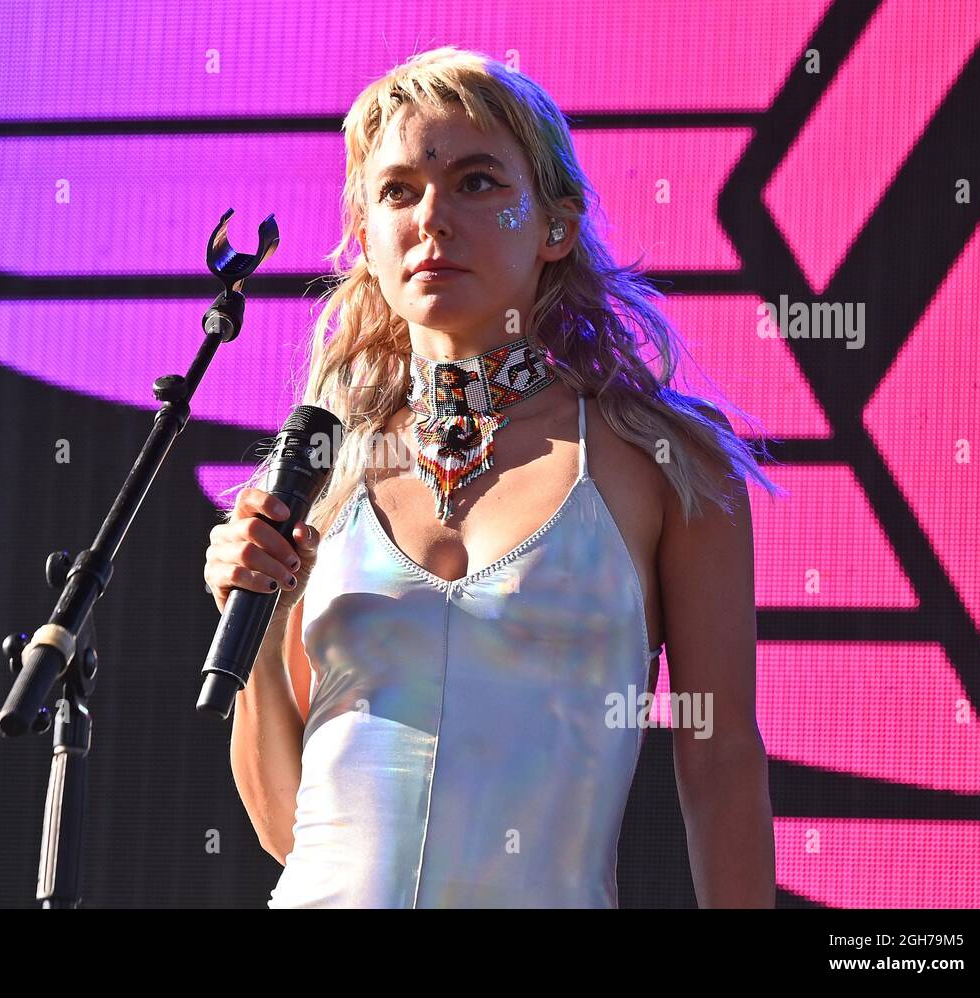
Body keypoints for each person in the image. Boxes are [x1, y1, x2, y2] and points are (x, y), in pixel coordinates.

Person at [206, 46, 779, 908]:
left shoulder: (668, 462)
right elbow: (292, 828)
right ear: (366, 239)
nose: (432, 217)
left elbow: (721, 753)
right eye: (398, 190)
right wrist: (257, 615)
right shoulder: (319, 471)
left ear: (556, 226)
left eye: (476, 183)